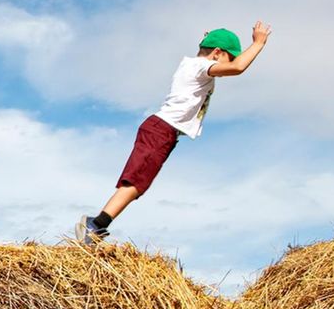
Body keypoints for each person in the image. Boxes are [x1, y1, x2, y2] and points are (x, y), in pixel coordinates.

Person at [77, 22, 271, 244]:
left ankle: (97, 225)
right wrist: (258, 43)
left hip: (164, 133)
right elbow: (238, 67)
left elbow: (224, 61)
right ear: (217, 53)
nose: (226, 69)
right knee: (135, 184)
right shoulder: (198, 66)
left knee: (139, 185)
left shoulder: (194, 65)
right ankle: (96, 226)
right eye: (230, 56)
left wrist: (211, 40)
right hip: (161, 130)